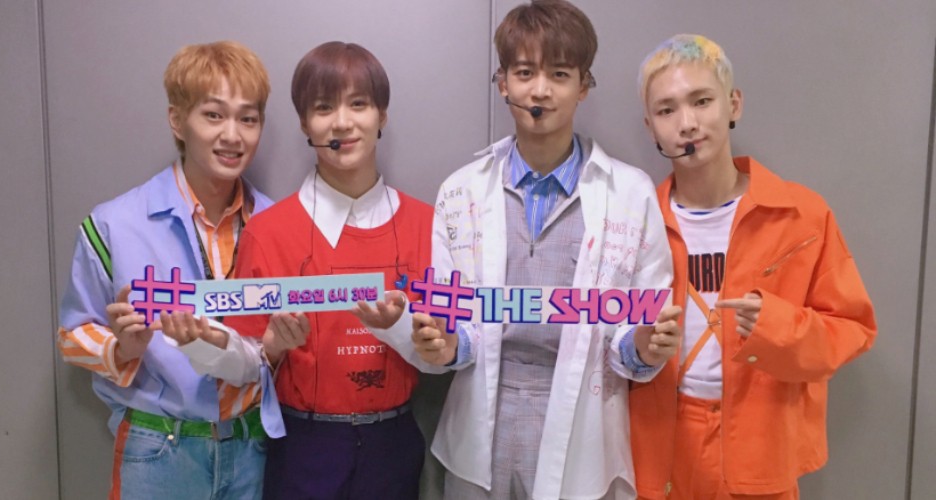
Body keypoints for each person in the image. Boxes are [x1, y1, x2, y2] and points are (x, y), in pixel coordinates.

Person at [370, 2, 683, 498]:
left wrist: (644, 347)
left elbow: (636, 327)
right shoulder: (461, 192)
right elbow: (456, 322)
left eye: (559, 74)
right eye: (524, 72)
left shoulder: (630, 193)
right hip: (481, 428)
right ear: (502, 83)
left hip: (585, 429)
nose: (540, 90)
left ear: (583, 86)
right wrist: (445, 344)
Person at [165, 41, 434, 499]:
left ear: (382, 116)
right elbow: (247, 358)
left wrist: (407, 329)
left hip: (394, 442)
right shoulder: (269, 231)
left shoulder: (426, 225)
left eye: (359, 104)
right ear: (304, 123)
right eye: (323, 107)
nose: (342, 123)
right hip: (303, 445)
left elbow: (444, 350)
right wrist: (209, 345)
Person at [630, 34, 878, 499]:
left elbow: (853, 328)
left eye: (702, 101)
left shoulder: (801, 215)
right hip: (655, 450)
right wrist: (637, 345)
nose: (687, 123)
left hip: (762, 448)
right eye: (666, 110)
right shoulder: (634, 221)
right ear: (651, 127)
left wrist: (778, 327)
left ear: (733, 104)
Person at [57, 41, 277, 499]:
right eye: (213, 115)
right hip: (158, 449)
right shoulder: (114, 224)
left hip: (253, 449)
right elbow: (73, 336)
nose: (232, 135)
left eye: (248, 118)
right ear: (177, 120)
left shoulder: (279, 225)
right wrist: (123, 348)